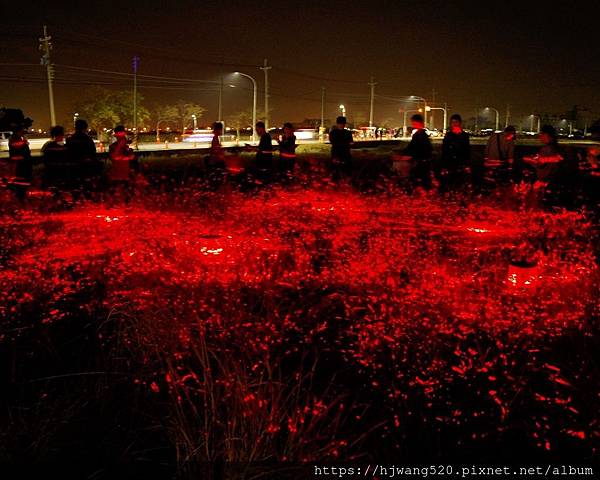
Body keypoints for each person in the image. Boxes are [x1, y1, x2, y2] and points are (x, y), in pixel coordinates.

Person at [400, 114, 432, 191]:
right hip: (420, 162)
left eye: (414, 123)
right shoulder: (418, 135)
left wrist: (409, 156)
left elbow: (419, 149)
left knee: (419, 183)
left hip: (421, 163)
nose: (413, 125)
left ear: (420, 123)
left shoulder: (421, 135)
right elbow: (411, 147)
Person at [440, 114, 470, 193]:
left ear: (460, 123)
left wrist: (467, 164)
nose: (454, 124)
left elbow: (467, 150)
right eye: (452, 122)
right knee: (449, 183)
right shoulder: (448, 135)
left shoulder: (464, 136)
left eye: (456, 122)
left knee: (460, 183)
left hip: (461, 162)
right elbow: (444, 150)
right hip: (450, 162)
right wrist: (443, 165)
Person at [66, 118, 98, 190]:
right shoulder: (88, 139)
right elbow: (93, 153)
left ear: (76, 127)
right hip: (86, 166)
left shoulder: (70, 140)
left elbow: (67, 152)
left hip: (73, 167)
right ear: (85, 128)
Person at [482, 125, 517, 190]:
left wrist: (486, 160)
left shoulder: (493, 136)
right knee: (499, 185)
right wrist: (510, 167)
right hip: (499, 165)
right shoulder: (511, 142)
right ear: (512, 134)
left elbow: (486, 149)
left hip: (488, 164)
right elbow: (510, 158)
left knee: (488, 182)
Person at [7, 125, 33, 201]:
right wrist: (25, 143)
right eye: (22, 131)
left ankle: (21, 196)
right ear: (19, 131)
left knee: (22, 181)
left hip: (22, 163)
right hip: (19, 164)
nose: (23, 133)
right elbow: (16, 146)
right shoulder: (14, 138)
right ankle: (19, 197)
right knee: (20, 181)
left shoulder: (17, 138)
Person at [41, 125, 70, 190]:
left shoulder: (47, 146)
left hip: (51, 172)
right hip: (63, 173)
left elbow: (45, 159)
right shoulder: (65, 147)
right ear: (62, 135)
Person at [329, 116, 354, 181]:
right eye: (340, 124)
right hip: (340, 154)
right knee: (339, 171)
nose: (341, 125)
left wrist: (341, 144)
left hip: (342, 154)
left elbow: (334, 143)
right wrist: (346, 144)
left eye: (342, 124)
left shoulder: (333, 133)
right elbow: (334, 142)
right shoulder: (346, 133)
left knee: (343, 171)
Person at [205, 122, 226, 189]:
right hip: (215, 161)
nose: (222, 131)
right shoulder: (215, 138)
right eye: (221, 129)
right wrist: (222, 156)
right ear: (218, 130)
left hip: (214, 160)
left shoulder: (216, 138)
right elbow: (215, 151)